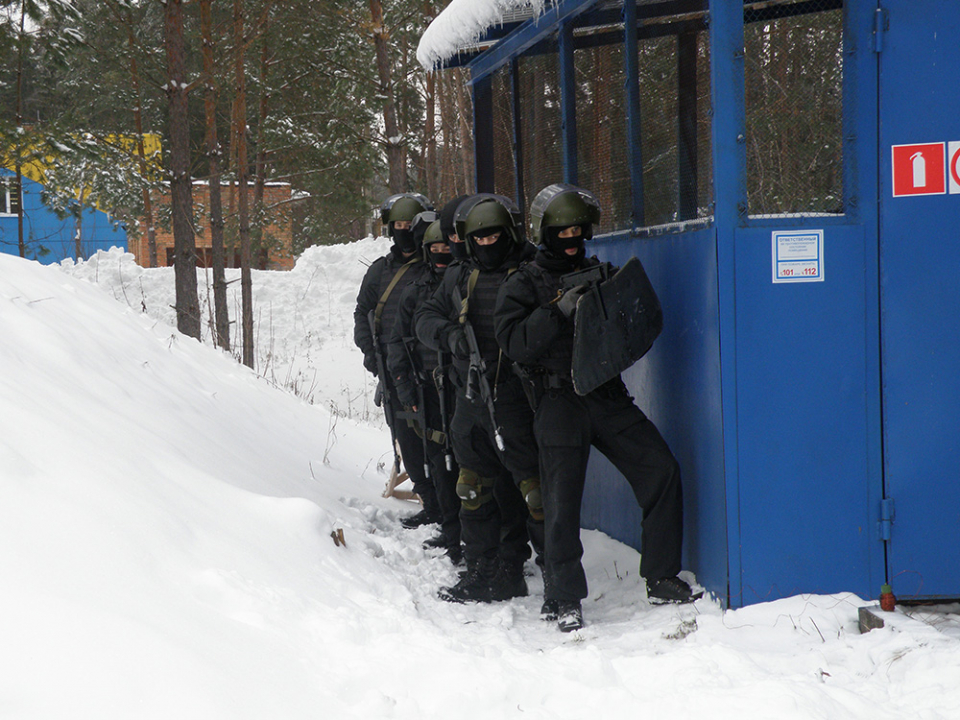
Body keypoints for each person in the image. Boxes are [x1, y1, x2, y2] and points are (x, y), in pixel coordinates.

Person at [495, 183, 700, 632]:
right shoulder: (522, 283)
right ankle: (563, 598)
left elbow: (632, 329)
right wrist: (558, 310)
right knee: (560, 502)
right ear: (546, 232)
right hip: (556, 402)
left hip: (605, 394)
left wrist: (609, 303)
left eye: (578, 231)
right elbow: (513, 344)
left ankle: (661, 576)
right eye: (562, 231)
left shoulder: (598, 271)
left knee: (660, 470)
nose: (571, 239)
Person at [415, 194, 544, 603]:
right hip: (470, 398)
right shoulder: (460, 276)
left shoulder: (532, 270)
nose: (486, 246)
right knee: (472, 489)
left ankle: (543, 576)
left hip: (519, 399)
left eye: (494, 237)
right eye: (478, 238)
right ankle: (482, 569)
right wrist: (449, 336)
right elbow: (425, 317)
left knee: (533, 493)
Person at [354, 192, 440, 529]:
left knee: (437, 440)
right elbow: (363, 312)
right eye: (399, 225)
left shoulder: (436, 265)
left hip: (431, 371)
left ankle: (448, 506)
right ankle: (430, 501)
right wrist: (373, 356)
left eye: (411, 225)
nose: (405, 231)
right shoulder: (379, 272)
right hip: (393, 373)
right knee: (408, 441)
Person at [385, 213, 462, 563]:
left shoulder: (468, 283)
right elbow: (398, 343)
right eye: (435, 247)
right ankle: (452, 530)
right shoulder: (415, 292)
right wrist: (405, 389)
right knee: (438, 461)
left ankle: (477, 537)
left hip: (464, 388)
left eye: (447, 246)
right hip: (428, 391)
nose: (442, 252)